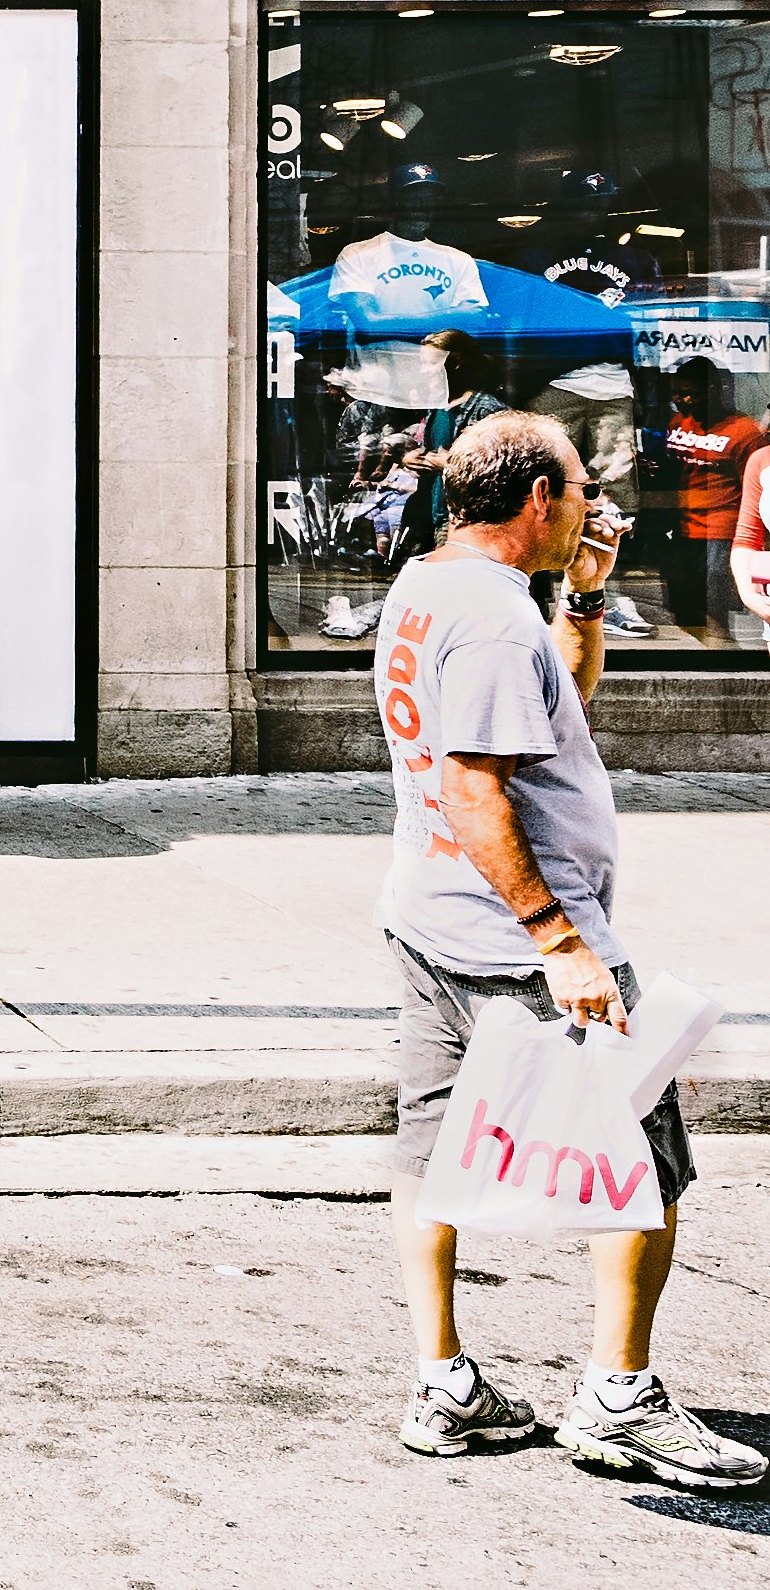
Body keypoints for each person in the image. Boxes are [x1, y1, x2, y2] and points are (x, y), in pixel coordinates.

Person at [376, 404, 761, 1484]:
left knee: (429, 1149)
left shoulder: (436, 585)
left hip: (430, 917)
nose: (596, 501)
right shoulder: (492, 622)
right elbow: (473, 778)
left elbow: (563, 708)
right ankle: (619, 1395)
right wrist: (562, 940)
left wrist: (582, 592)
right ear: (537, 497)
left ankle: (443, 1380)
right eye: (583, 486)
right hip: (518, 937)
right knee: (644, 1161)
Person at [653, 357, 761, 645]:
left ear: (715, 391)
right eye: (679, 393)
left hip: (722, 532)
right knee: (681, 608)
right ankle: (721, 651)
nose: (684, 400)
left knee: (715, 610)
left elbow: (758, 487)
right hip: (684, 529)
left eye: (693, 393)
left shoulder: (744, 432)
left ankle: (724, 659)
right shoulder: (679, 422)